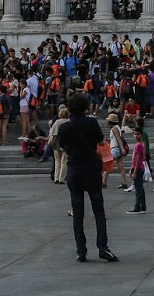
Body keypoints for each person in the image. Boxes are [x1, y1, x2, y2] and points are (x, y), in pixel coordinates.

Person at [57, 92, 117, 262]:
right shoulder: (91, 122)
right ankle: (103, 247)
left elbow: (62, 146)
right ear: (85, 106)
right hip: (91, 168)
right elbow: (102, 142)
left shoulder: (65, 127)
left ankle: (81, 250)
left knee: (78, 212)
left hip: (74, 168)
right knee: (98, 210)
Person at [126, 124, 148, 215]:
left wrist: (134, 171)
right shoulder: (138, 145)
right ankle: (143, 206)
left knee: (138, 189)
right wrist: (132, 168)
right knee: (140, 188)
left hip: (138, 169)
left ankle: (137, 206)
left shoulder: (139, 145)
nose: (136, 136)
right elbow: (134, 160)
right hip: (138, 168)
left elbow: (138, 160)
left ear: (141, 135)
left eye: (138, 134)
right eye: (135, 134)